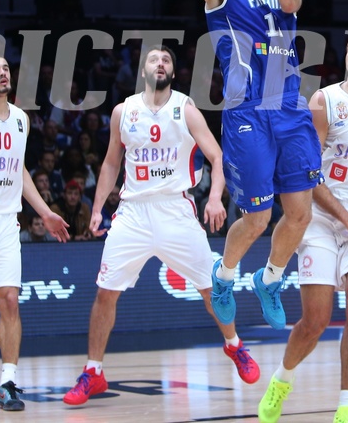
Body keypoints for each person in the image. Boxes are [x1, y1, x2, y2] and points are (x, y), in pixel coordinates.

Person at [169, 0, 324, 332]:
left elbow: (294, 1)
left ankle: (270, 279)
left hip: (290, 110)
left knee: (300, 213)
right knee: (256, 217)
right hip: (246, 113)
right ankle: (225, 274)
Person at [63, 46, 260, 406]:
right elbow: (110, 163)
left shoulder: (184, 108)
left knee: (210, 288)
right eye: (154, 60)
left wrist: (215, 198)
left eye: (166, 60)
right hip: (133, 212)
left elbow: (217, 157)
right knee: (106, 292)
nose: (160, 64)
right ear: (143, 70)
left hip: (175, 210)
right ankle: (94, 372)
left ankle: (234, 345)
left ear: (173, 71)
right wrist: (96, 208)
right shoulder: (124, 111)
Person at [258, 32, 348, 423]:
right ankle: (282, 380)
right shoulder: (324, 101)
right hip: (323, 218)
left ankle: (346, 406)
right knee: (316, 320)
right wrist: (347, 220)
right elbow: (308, 174)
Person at [0, 57, 69, 410]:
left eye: (5, 67)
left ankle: (8, 382)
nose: (2, 72)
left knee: (9, 300)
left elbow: (18, 170)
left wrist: (46, 212)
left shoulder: (21, 120)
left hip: (6, 221)